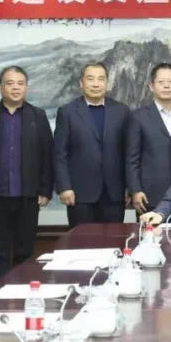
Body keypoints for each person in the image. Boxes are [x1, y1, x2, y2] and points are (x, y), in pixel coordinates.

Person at [0, 66, 53, 282]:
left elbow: (48, 155)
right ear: (1, 87)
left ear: (26, 87)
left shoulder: (38, 116)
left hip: (28, 197)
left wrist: (45, 190)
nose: (15, 88)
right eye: (10, 83)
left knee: (25, 252)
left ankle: (23, 294)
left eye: (20, 83)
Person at [53, 62, 130, 225]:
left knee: (113, 239)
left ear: (107, 83)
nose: (96, 84)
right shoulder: (67, 112)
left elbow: (129, 152)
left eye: (101, 79)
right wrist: (64, 186)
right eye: (90, 79)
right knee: (82, 239)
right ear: (81, 83)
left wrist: (130, 187)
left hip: (114, 194)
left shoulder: (122, 111)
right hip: (79, 194)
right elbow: (59, 154)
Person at [126, 63, 171, 215]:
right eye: (161, 82)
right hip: (149, 195)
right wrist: (135, 190)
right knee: (150, 231)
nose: (167, 86)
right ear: (151, 86)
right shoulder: (138, 117)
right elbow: (132, 159)